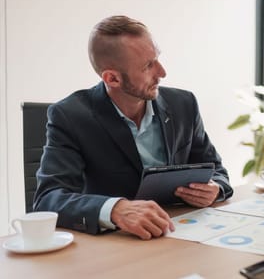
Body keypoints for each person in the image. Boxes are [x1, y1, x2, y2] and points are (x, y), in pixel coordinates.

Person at [34, 15, 233, 240]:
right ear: (112, 78)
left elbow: (218, 172)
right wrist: (116, 209)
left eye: (157, 58)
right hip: (117, 243)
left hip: (182, 232)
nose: (162, 72)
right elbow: (48, 199)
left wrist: (215, 188)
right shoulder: (70, 116)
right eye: (148, 66)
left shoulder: (184, 104)